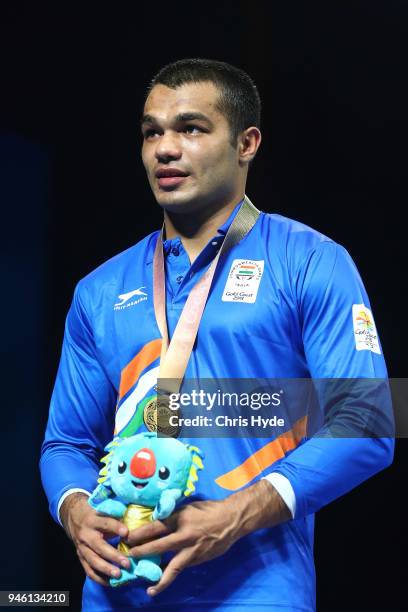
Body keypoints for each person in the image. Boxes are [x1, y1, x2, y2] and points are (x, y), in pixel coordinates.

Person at [40, 58, 394, 611]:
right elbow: (65, 443)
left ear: (247, 143)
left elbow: (369, 421)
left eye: (191, 128)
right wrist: (77, 509)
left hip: (257, 591)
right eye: (151, 131)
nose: (164, 148)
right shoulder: (99, 289)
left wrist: (234, 515)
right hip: (117, 592)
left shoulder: (310, 261)